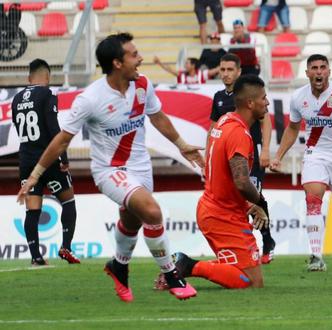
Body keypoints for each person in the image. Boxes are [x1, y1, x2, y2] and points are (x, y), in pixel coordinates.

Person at [17, 33, 203, 302]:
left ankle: (119, 266)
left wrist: (181, 144)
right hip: (109, 170)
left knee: (132, 221)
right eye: (133, 54)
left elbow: (157, 116)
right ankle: (171, 273)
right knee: (152, 211)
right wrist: (34, 175)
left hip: (141, 167)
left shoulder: (142, 85)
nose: (140, 59)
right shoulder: (90, 98)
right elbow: (61, 140)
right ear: (117, 63)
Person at [155, 75, 271, 290]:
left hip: (216, 207)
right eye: (264, 98)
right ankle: (188, 265)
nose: (267, 103)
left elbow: (223, 176)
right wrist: (261, 202)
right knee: (252, 282)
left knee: (240, 270)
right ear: (250, 103)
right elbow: (242, 182)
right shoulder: (239, 133)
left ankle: (181, 266)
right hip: (223, 216)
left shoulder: (225, 120)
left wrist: (248, 205)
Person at [270, 54, 332, 272]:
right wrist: (278, 156)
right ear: (307, 73)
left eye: (323, 67)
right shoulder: (298, 97)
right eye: (314, 68)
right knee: (313, 199)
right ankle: (316, 256)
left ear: (329, 71)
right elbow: (293, 128)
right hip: (315, 154)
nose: (318, 71)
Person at [207, 53, 275, 263]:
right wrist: (208, 157)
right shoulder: (219, 98)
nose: (225, 74)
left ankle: (266, 240)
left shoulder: (251, 94)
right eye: (222, 69)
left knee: (252, 194)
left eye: (230, 69)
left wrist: (265, 150)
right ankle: (245, 243)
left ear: (238, 71)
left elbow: (265, 122)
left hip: (249, 152)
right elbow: (212, 129)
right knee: (241, 196)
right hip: (229, 155)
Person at [12, 59, 79, 266]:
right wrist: (63, 158)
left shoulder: (15, 99)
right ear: (47, 77)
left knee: (32, 209)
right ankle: (66, 247)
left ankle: (36, 257)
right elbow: (53, 127)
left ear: (29, 78)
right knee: (68, 201)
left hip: (26, 161)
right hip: (48, 159)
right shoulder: (48, 95)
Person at [153, 56, 218, 85]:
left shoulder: (202, 74)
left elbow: (215, 70)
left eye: (187, 63)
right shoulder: (181, 74)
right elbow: (169, 69)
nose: (185, 65)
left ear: (193, 65)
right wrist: (159, 63)